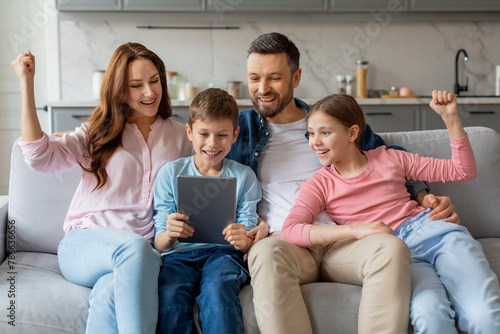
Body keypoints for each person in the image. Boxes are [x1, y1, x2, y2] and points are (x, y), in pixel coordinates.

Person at [226, 32, 461, 334]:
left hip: (345, 243)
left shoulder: (329, 119)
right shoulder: (240, 129)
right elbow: (212, 169)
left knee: (390, 248)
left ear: (296, 77)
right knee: (264, 254)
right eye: (254, 78)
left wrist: (425, 196)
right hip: (286, 242)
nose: (262, 89)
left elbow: (391, 160)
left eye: (274, 78)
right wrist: (249, 220)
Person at [10, 43, 193, 334]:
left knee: (111, 291)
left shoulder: (180, 136)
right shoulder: (96, 132)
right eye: (136, 85)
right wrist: (26, 83)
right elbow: (38, 156)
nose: (150, 92)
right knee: (134, 248)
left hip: (143, 255)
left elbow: (212, 172)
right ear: (120, 89)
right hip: (84, 246)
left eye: (155, 81)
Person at [281, 91, 500, 333]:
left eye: (325, 132)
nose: (315, 142)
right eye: (311, 133)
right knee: (431, 317)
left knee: (484, 316)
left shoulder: (390, 158)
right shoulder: (319, 184)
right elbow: (291, 229)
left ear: (352, 133)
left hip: (436, 233)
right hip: (397, 254)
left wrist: (451, 119)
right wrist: (355, 230)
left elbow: (462, 171)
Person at [153, 88, 262, 334]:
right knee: (170, 297)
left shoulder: (244, 176)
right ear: (190, 132)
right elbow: (160, 243)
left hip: (222, 255)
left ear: (235, 134)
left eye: (222, 135)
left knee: (218, 289)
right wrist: (169, 233)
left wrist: (242, 239)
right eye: (204, 134)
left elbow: (247, 233)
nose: (212, 143)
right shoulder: (170, 174)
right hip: (177, 257)